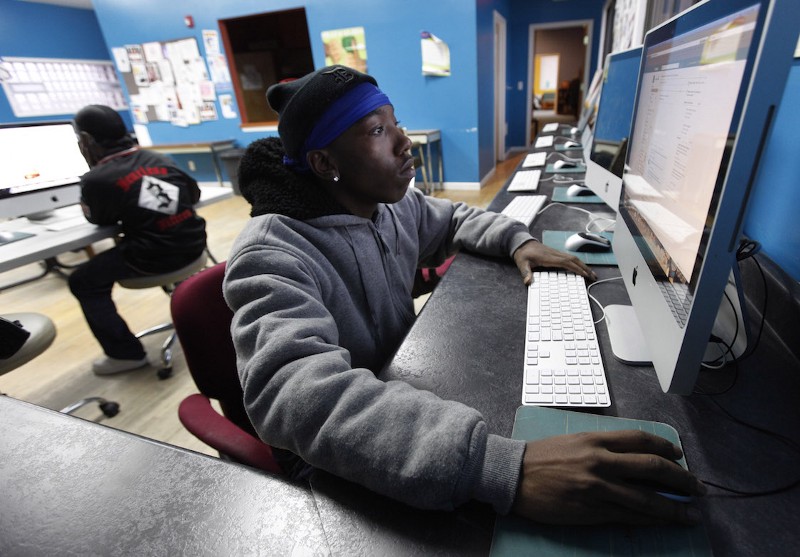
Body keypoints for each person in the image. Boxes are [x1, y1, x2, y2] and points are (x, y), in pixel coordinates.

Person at [224, 66, 705, 525]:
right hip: (332, 456)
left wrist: (519, 241)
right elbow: (292, 395)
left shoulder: (389, 206)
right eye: (376, 131)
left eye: (396, 123)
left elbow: (454, 217)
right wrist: (500, 468)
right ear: (325, 163)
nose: (403, 143)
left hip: (397, 401)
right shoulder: (272, 253)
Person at [69, 105, 207, 376]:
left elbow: (99, 219)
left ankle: (125, 354)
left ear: (85, 140)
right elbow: (193, 194)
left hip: (152, 258)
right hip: (193, 246)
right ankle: (198, 314)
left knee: (81, 281)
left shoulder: (97, 179)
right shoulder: (160, 159)